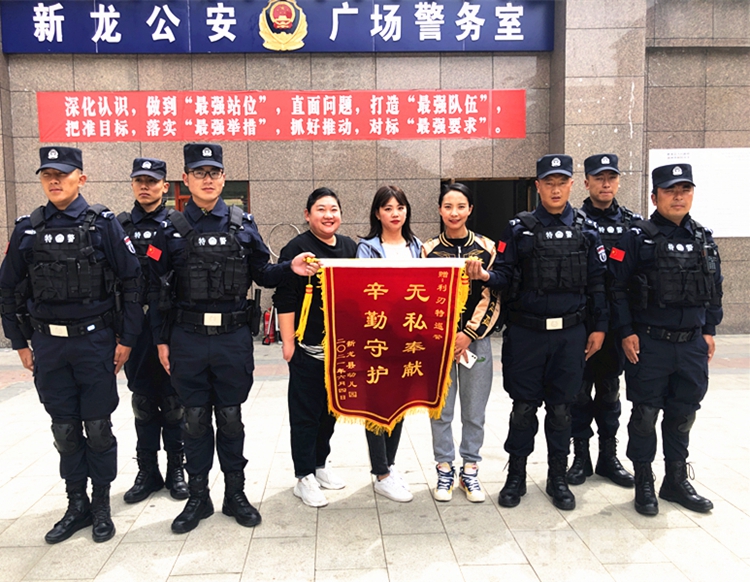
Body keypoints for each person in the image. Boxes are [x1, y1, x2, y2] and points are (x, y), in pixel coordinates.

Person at [148, 143, 316, 533]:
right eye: (199, 173)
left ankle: (235, 495)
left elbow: (263, 274)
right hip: (187, 338)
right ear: (185, 179)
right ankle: (198, 497)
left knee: (230, 418)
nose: (207, 179)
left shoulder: (243, 224)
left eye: (214, 172)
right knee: (193, 420)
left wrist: (288, 267)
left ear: (224, 178)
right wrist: (160, 339)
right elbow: (154, 288)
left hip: (231, 338)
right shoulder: (168, 229)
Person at [0, 146, 143, 543]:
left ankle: (101, 505)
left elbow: (132, 280)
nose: (54, 181)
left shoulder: (102, 224)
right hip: (49, 345)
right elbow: (7, 287)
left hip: (94, 342)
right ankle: (76, 504)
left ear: (81, 178)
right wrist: (19, 342)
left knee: (97, 428)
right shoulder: (28, 228)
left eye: (62, 174)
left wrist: (128, 339)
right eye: (47, 175)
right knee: (64, 429)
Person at [467, 155, 608, 511]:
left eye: (562, 182)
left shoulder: (587, 229)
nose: (555, 189)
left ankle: (557, 477)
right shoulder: (519, 228)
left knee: (561, 410)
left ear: (572, 185)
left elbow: (598, 284)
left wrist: (600, 328)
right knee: (524, 409)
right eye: (549, 183)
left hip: (571, 334)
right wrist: (485, 276)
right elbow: (504, 274)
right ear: (538, 186)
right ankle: (516, 475)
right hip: (527, 334)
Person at [609, 163, 722, 516]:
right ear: (654, 196)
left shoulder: (703, 237)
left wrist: (709, 330)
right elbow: (616, 288)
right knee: (645, 415)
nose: (678, 197)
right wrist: (625, 331)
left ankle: (675, 480)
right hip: (650, 343)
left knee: (683, 413)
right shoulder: (636, 237)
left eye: (684, 190)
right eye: (670, 190)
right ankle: (644, 480)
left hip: (691, 344)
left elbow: (715, 288)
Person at [273, 188, 358, 508]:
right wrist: (288, 343)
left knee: (330, 411)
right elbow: (284, 298)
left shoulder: (349, 247)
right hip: (307, 348)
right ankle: (303, 476)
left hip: (340, 349)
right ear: (307, 215)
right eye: (320, 209)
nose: (328, 215)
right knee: (305, 413)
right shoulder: (296, 248)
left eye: (333, 209)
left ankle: (320, 464)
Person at [422, 182, 500, 503]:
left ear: (470, 210)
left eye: (460, 206)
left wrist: (468, 333)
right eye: (448, 206)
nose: (454, 213)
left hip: (475, 342)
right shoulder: (427, 251)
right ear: (440, 210)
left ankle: (470, 469)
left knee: (474, 410)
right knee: (440, 410)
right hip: (437, 344)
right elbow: (422, 298)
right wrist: (442, 334)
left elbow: (492, 296)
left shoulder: (486, 248)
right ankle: (444, 468)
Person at [117, 158, 188, 504]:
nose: (145, 187)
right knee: (143, 401)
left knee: (173, 402)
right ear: (132, 184)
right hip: (135, 327)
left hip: (171, 326)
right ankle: (147, 471)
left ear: (164, 185)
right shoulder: (118, 226)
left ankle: (177, 468)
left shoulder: (177, 224)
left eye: (152, 181)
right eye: (139, 181)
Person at [567, 154, 639, 489]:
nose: (606, 184)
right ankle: (580, 457)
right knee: (579, 394)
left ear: (619, 182)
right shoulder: (573, 222)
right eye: (599, 178)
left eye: (611, 177)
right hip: (582, 323)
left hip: (618, 326)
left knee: (610, 393)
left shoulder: (633, 224)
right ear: (586, 183)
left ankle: (608, 457)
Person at [356, 185, 422, 503]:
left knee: (398, 403)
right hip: (377, 337)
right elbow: (363, 291)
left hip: (408, 337)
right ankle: (381, 473)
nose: (395, 214)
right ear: (377, 213)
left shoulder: (417, 246)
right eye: (388, 208)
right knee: (376, 405)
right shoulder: (367, 248)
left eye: (400, 207)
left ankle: (389, 465)